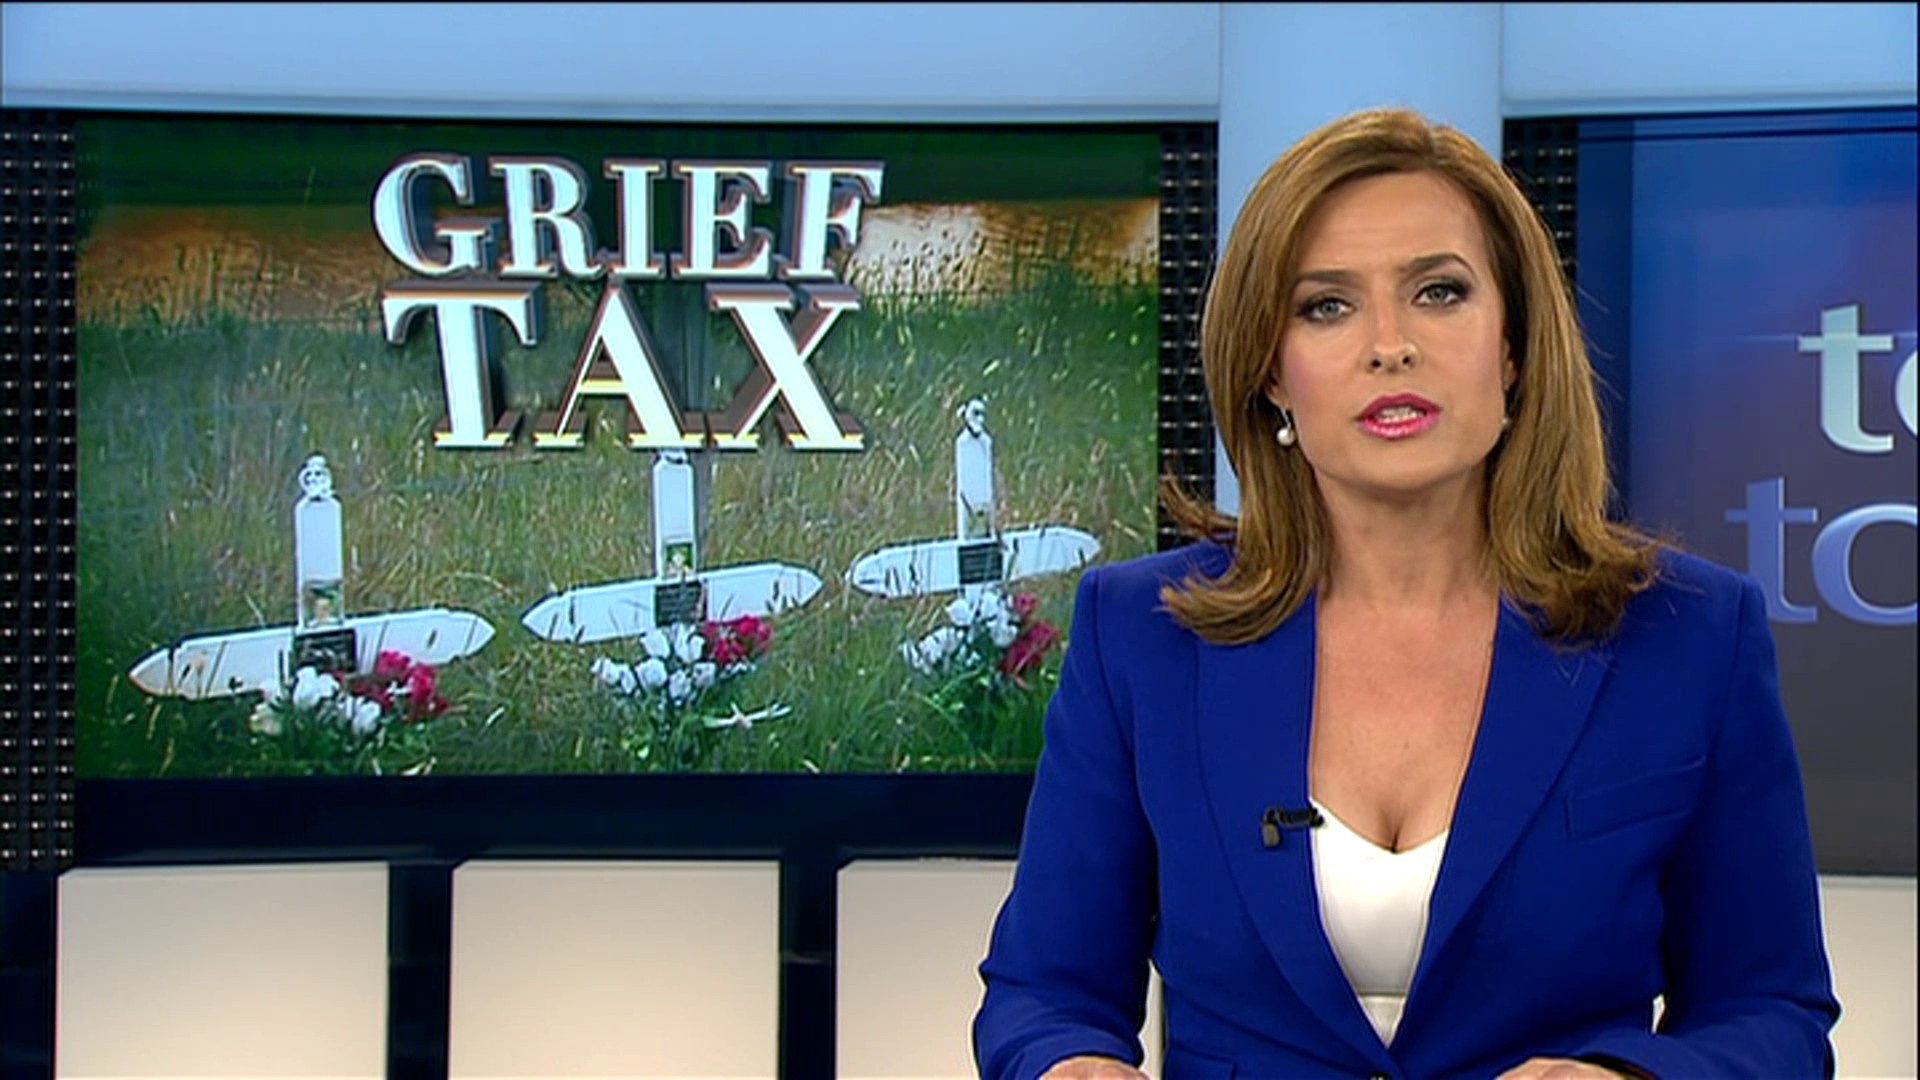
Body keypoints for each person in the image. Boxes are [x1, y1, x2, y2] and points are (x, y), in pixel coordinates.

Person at [972, 107, 1839, 1080]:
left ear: (1512, 348)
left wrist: (1631, 1079)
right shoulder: (1140, 635)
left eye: (1439, 292)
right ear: (1271, 372)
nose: (1390, 345)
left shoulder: (1690, 636)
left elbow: (1771, 1013)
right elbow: (1044, 994)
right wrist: (1068, 1065)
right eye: (1326, 306)